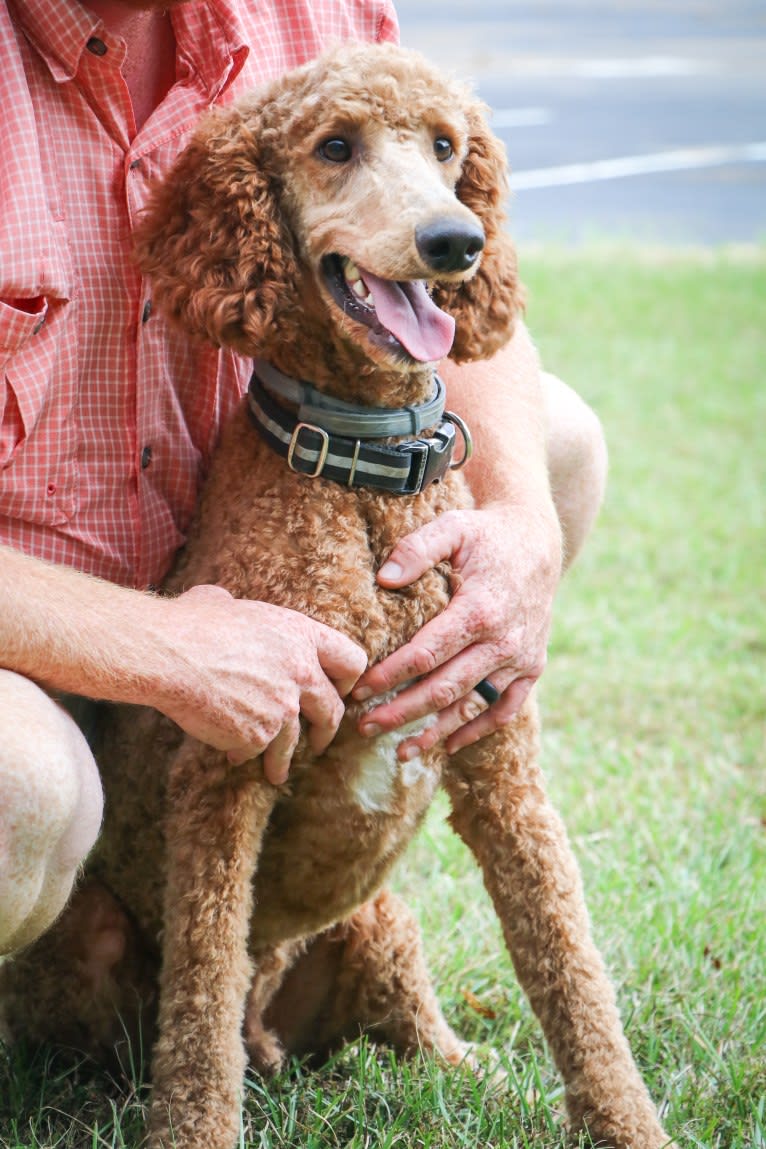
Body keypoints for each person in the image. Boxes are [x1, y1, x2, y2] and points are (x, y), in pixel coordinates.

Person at [0, 0, 607, 957]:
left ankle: (299, 884)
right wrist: (162, 644)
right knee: (17, 789)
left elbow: (439, 272)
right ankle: (49, 949)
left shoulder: (319, 14)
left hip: (251, 555)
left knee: (558, 438)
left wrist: (524, 522)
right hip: (25, 649)